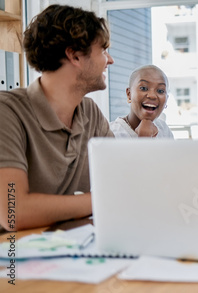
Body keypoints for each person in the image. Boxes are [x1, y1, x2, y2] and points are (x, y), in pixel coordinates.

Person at [0, 5, 114, 231]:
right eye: (103, 50)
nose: (109, 60)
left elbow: (124, 180)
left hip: (68, 248)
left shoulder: (91, 113)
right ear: (74, 55)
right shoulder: (7, 112)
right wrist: (102, 200)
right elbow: (14, 213)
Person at [110, 65, 173, 138]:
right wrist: (144, 138)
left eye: (160, 91)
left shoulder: (164, 130)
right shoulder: (111, 133)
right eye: (143, 88)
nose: (152, 96)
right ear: (129, 94)